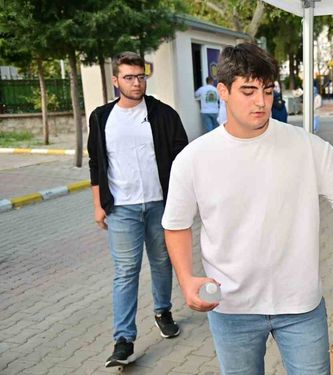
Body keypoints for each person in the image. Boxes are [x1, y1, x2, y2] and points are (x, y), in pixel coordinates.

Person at [161, 43, 333, 375]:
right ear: (223, 91)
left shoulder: (306, 146)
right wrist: (185, 277)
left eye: (267, 91)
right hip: (231, 306)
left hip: (300, 304)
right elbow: (175, 224)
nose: (261, 102)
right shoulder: (194, 159)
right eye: (248, 91)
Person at [88, 51, 188, 368]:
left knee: (162, 262)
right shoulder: (102, 117)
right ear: (115, 80)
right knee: (126, 273)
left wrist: (183, 200)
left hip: (160, 204)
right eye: (129, 77)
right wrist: (98, 205)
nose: (136, 82)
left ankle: (163, 310)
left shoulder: (163, 114)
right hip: (121, 208)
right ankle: (123, 340)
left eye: (140, 76)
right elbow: (96, 163)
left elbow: (182, 159)